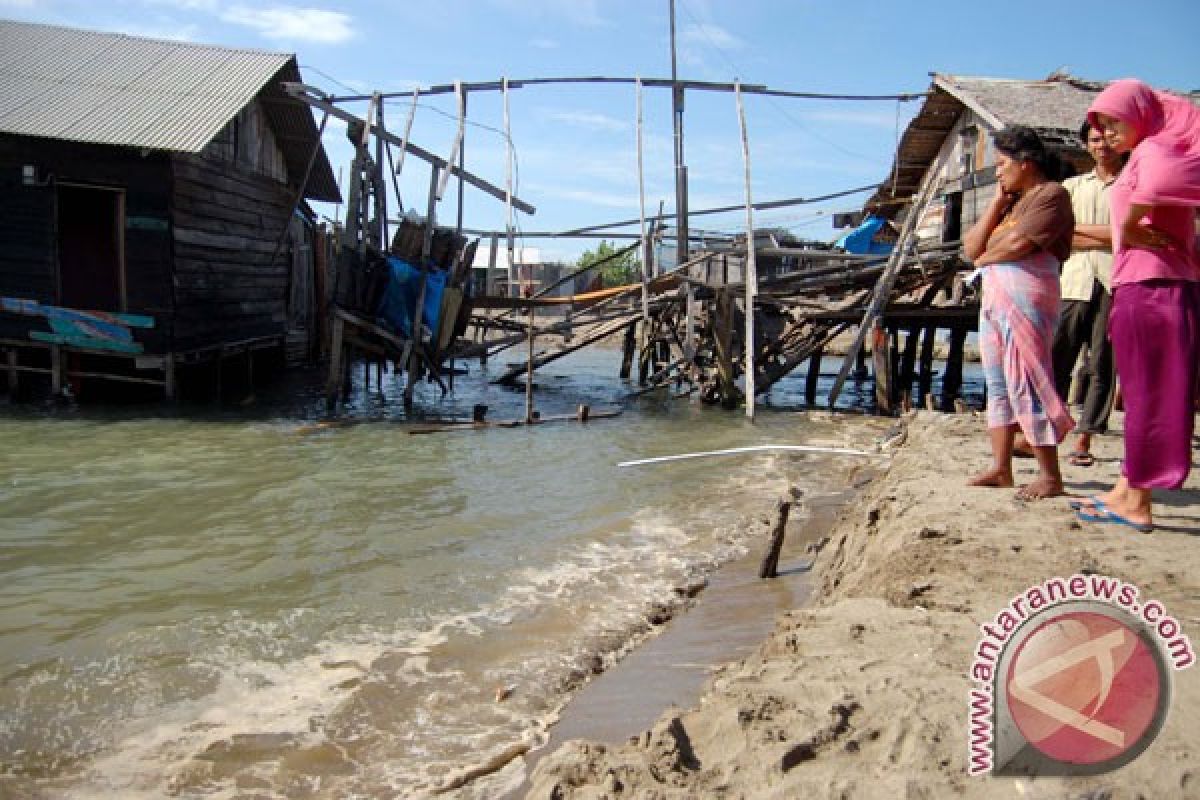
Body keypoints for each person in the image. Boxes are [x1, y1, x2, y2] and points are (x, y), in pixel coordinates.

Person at [1074, 79, 1200, 533]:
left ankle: (1138, 500)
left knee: (1151, 396)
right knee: (1145, 393)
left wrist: (1129, 224)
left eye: (1112, 124)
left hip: (1155, 286)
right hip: (1148, 284)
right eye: (1100, 127)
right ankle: (1128, 489)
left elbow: (1150, 196)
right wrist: (1131, 227)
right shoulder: (1157, 150)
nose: (1106, 135)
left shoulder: (1154, 153)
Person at [963, 126, 1076, 500]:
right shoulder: (1010, 203)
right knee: (997, 382)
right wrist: (995, 204)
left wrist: (985, 255)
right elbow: (972, 247)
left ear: (1025, 164)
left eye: (1002, 164)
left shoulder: (1051, 195)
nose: (998, 172)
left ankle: (1050, 474)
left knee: (1027, 377)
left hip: (1027, 293)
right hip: (996, 295)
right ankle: (1000, 467)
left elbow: (1019, 243)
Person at [1050, 120, 1126, 466]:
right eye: (1096, 140)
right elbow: (1061, 235)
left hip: (1116, 280)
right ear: (1086, 145)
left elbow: (1133, 234)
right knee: (1059, 354)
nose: (1103, 145)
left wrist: (1085, 233)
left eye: (1110, 139)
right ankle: (1052, 425)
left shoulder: (1132, 186)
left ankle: (1086, 435)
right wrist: (1111, 234)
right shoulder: (1072, 187)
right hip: (1075, 280)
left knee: (1102, 361)